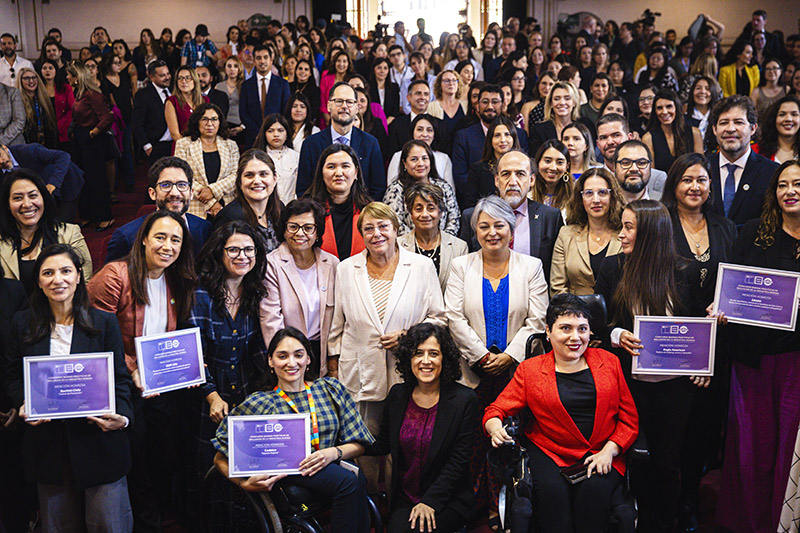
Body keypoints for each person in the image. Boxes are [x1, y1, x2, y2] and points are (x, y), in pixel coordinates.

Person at [595, 199, 709, 532]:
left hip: (675, 386)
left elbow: (700, 328)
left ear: (650, 233)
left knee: (666, 461)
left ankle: (664, 523)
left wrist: (703, 367)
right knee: (635, 458)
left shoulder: (684, 271)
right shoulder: (612, 268)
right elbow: (596, 322)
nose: (621, 235)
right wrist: (617, 335)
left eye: (629, 227)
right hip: (629, 383)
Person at [3, 243, 134, 532]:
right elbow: (13, 375)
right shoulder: (23, 323)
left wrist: (121, 418)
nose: (57, 279)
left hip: (99, 443)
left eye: (65, 271)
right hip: (48, 447)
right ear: (38, 280)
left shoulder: (103, 322)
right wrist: (25, 401)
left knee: (109, 526)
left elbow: (121, 379)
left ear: (79, 277)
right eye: (48, 273)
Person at [484, 293, 638, 532]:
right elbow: (496, 409)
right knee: (555, 507)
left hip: (601, 451)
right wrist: (494, 427)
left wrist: (610, 450)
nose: (575, 337)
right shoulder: (530, 370)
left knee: (592, 500)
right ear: (548, 331)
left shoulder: (609, 362)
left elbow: (629, 420)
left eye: (582, 329)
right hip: (550, 451)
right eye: (565, 328)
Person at [88, 210, 195, 532]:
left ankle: (162, 514)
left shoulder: (178, 279)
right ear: (144, 239)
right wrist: (132, 369)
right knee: (139, 460)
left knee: (166, 453)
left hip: (160, 386)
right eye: (160, 237)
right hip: (122, 385)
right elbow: (94, 338)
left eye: (175, 239)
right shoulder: (114, 276)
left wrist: (189, 364)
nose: (168, 245)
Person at [446, 194, 548, 529]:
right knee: (472, 442)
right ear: (475, 229)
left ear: (512, 227)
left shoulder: (530, 266)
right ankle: (478, 505)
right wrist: (481, 355)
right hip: (471, 372)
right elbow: (453, 316)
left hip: (516, 375)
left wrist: (508, 356)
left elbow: (537, 319)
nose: (492, 232)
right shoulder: (461, 265)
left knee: (512, 441)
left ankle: (512, 505)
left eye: (499, 225)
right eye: (484, 225)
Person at [328, 201, 445, 491]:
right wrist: (333, 373)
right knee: (362, 443)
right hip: (359, 373)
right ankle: (367, 506)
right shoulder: (345, 269)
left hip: (408, 371)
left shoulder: (420, 266)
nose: (376, 233)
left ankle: (399, 505)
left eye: (383, 226)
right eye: (369, 228)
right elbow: (336, 329)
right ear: (362, 234)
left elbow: (439, 319)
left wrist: (408, 336)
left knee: (404, 443)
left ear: (396, 229)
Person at [212, 327, 375, 533]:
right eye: (282, 356)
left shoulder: (330, 389)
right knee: (349, 481)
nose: (292, 362)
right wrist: (243, 484)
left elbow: (360, 444)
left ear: (308, 359)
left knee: (358, 477)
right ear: (271, 361)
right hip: (288, 470)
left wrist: (332, 453)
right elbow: (219, 457)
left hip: (328, 460)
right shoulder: (259, 403)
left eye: (298, 355)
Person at [716, 160, 800, 533]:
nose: (789, 191)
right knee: (753, 446)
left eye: (797, 184)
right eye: (782, 185)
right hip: (753, 361)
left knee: (789, 449)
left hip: (796, 361)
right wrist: (721, 308)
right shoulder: (752, 232)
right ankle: (749, 525)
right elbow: (731, 290)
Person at [660, 153, 737, 528]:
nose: (695, 187)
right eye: (687, 179)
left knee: (704, 432)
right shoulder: (659, 225)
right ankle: (665, 502)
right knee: (672, 434)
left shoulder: (725, 228)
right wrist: (694, 356)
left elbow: (736, 286)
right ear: (674, 184)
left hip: (718, 348)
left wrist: (726, 309)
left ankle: (690, 496)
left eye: (702, 180)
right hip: (671, 349)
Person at [365, 323, 478, 533]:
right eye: (418, 353)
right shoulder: (398, 395)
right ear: (410, 358)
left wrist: (431, 501)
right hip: (405, 499)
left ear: (444, 358)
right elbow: (382, 444)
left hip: (447, 498)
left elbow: (458, 462)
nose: (426, 361)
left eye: (433, 353)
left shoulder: (465, 400)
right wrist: (340, 448)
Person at [187, 220, 268, 493]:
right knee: (209, 466)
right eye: (233, 250)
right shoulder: (201, 293)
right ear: (219, 253)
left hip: (245, 388)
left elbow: (258, 348)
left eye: (249, 250)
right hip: (205, 393)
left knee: (246, 464)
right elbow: (193, 354)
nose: (242, 256)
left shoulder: (256, 292)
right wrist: (211, 394)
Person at [263, 198, 337, 375]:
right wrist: (285, 357)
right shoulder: (271, 264)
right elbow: (271, 319)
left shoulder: (332, 263)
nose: (300, 233)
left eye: (308, 228)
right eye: (293, 226)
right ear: (284, 229)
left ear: (317, 232)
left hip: (324, 352)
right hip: (289, 355)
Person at [0, 168, 91, 294]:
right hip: (12, 313)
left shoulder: (69, 234)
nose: (27, 204)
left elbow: (84, 285)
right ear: (7, 205)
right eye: (18, 198)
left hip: (62, 310)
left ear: (44, 199)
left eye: (33, 196)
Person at [105, 156, 212, 262]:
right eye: (166, 185)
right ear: (152, 193)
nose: (175, 193)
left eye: (182, 185)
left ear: (191, 193)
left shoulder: (204, 228)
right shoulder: (127, 237)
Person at [297, 82, 385, 199]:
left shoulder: (370, 143)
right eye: (339, 101)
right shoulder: (311, 144)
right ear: (329, 106)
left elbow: (378, 188)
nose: (344, 106)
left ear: (356, 108)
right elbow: (303, 189)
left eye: (349, 102)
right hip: (320, 212)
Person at [707, 95, 779, 227]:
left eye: (738, 122)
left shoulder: (772, 172)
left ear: (753, 128)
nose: (730, 129)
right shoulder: (702, 168)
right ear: (714, 129)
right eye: (723, 123)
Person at [550, 167, 624, 295]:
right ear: (581, 198)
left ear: (612, 196)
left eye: (602, 192)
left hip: (617, 312)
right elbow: (557, 287)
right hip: (574, 312)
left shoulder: (625, 235)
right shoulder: (566, 234)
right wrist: (575, 313)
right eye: (589, 193)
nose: (596, 200)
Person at [452, 84, 528, 204]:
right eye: (485, 102)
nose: (490, 106)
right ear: (477, 105)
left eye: (495, 101)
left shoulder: (520, 135)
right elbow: (461, 178)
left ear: (503, 104)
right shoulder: (463, 136)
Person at [65, 61, 115, 232]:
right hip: (81, 140)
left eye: (69, 75)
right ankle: (88, 215)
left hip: (93, 142)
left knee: (97, 179)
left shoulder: (93, 95)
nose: (67, 78)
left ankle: (104, 217)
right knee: (84, 179)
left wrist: (92, 133)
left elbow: (107, 119)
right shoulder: (79, 94)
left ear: (77, 78)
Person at [304, 144, 371, 260]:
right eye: (331, 167)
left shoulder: (370, 211)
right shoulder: (307, 212)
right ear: (321, 173)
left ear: (356, 172)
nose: (338, 173)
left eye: (345, 166)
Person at [398, 182, 468, 293]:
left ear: (440, 213)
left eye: (431, 208)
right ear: (411, 214)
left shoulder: (459, 247)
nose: (425, 214)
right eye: (418, 209)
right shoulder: (398, 246)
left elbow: (462, 290)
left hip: (448, 309)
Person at [174, 103, 239, 219]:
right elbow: (182, 177)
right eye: (204, 119)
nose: (210, 124)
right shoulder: (183, 144)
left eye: (214, 119)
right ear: (197, 122)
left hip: (226, 206)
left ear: (220, 122)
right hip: (195, 207)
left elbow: (236, 175)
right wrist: (212, 203)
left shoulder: (231, 145)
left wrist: (212, 190)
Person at [383, 140, 459, 236]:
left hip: (444, 246)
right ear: (405, 163)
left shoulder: (444, 187)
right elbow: (394, 223)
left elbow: (453, 219)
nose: (420, 163)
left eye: (424, 158)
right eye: (414, 159)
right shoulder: (395, 190)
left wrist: (441, 242)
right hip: (407, 246)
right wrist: (417, 244)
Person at [213, 149, 282, 254]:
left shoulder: (280, 208)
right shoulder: (229, 217)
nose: (257, 181)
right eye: (249, 175)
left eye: (263, 174)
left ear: (275, 178)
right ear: (240, 182)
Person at [1, 142, 85, 222]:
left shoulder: (28, 150)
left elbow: (63, 156)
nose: (1, 161)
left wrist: (53, 183)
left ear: (5, 148)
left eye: (0, 155)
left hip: (67, 181)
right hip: (43, 193)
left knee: (63, 223)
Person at [239, 45, 291, 148]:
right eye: (258, 58)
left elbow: (286, 111)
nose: (262, 61)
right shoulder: (246, 85)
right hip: (253, 138)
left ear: (271, 60)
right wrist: (258, 133)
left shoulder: (282, 84)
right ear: (254, 61)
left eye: (265, 57)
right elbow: (243, 113)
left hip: (276, 137)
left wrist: (272, 131)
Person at [464, 115, 521, 208]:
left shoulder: (523, 167)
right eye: (497, 135)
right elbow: (471, 204)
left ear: (514, 138)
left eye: (507, 135)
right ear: (490, 140)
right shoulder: (478, 169)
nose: (503, 140)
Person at [387, 113, 454, 191]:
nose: (425, 134)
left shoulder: (444, 158)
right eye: (420, 129)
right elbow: (391, 186)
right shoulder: (398, 156)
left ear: (434, 134)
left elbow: (450, 190)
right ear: (412, 132)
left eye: (429, 130)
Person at [642, 90, 703, 172]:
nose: (664, 112)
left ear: (677, 108)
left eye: (669, 106)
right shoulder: (648, 138)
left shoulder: (694, 133)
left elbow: (701, 168)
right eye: (659, 108)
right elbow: (652, 175)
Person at [529, 81, 591, 159]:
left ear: (574, 102)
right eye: (557, 99)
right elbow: (536, 159)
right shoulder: (538, 130)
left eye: (567, 98)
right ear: (551, 103)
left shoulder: (586, 125)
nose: (562, 102)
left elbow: (591, 154)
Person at [132, 60, 173, 164]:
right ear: (152, 77)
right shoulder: (143, 95)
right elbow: (137, 124)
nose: (167, 77)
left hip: (176, 143)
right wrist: (147, 146)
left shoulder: (175, 90)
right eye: (162, 75)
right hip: (157, 145)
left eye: (168, 73)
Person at [388, 79, 438, 156]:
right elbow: (393, 154)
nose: (422, 97)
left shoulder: (440, 124)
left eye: (426, 94)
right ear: (408, 98)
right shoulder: (396, 125)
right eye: (418, 93)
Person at [165, 65, 209, 144]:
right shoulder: (171, 102)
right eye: (180, 78)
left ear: (195, 80)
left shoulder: (205, 100)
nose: (183, 81)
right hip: (183, 147)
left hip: (204, 145)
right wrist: (191, 147)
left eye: (188, 78)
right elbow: (175, 134)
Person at [15, 68, 57, 148]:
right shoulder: (17, 101)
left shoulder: (43, 99)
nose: (31, 81)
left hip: (46, 143)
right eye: (26, 78)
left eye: (34, 77)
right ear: (20, 81)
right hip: (26, 145)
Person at [38, 58, 74, 151]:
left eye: (50, 68)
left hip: (63, 128)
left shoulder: (65, 88)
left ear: (56, 71)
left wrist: (61, 125)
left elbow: (71, 109)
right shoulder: (37, 88)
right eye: (44, 68)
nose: (47, 70)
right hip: (44, 129)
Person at [753, 95, 800, 163]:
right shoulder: (755, 151)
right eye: (782, 114)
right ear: (773, 119)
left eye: (794, 114)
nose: (788, 119)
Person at [529, 140, 572, 213]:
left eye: (560, 162)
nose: (553, 168)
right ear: (538, 162)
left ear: (567, 166)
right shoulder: (526, 195)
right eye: (548, 161)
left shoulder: (574, 196)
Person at [319, 50, 354, 125]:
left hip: (347, 117)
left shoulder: (352, 80)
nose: (341, 64)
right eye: (338, 61)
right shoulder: (326, 79)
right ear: (334, 62)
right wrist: (327, 117)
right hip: (327, 118)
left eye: (344, 61)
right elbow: (322, 100)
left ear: (348, 64)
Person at [216, 57, 246, 143]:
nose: (232, 69)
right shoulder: (218, 86)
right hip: (221, 126)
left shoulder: (245, 86)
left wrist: (242, 127)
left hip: (240, 126)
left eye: (235, 66)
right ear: (225, 68)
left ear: (239, 68)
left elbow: (251, 108)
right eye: (229, 66)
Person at [751, 59, 787, 123]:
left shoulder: (787, 89)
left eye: (774, 68)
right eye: (768, 69)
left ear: (781, 71)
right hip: (761, 128)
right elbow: (751, 114)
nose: (771, 71)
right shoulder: (756, 92)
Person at [685, 76, 719, 142]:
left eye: (707, 89)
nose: (703, 91)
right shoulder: (683, 120)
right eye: (698, 88)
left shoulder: (718, 119)